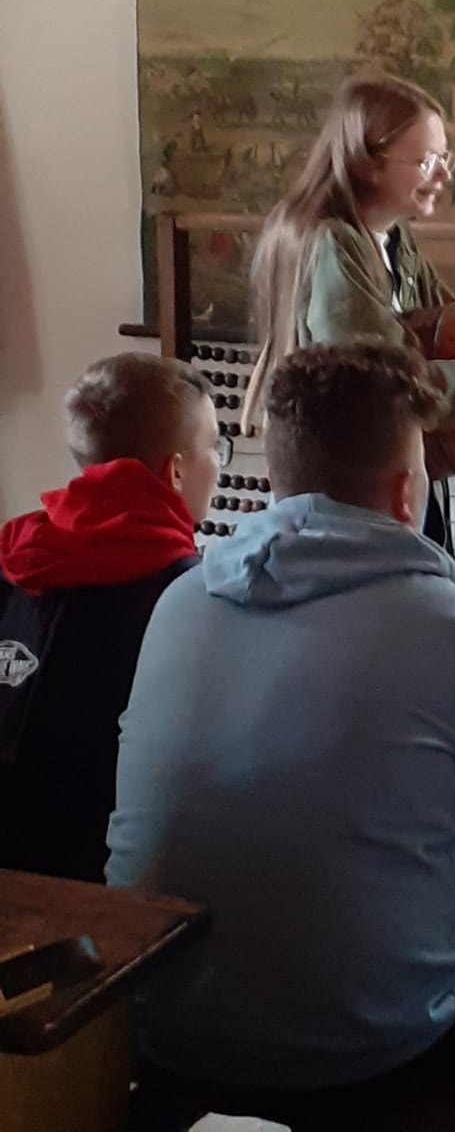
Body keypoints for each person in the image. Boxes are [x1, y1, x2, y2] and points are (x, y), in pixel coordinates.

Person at [108, 339, 455, 1122]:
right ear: (406, 493)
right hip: (367, 1048)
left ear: (278, 477)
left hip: (161, 1023)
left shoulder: (182, 602)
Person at [245, 75, 455, 548]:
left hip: (387, 485)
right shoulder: (332, 243)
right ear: (367, 161)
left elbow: (450, 334)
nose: (444, 175)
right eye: (427, 161)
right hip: (348, 501)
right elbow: (380, 387)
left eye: (445, 158)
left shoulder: (393, 236)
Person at [0, 354, 218, 882]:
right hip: (103, 880)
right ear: (176, 471)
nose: (218, 463)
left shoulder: (13, 558)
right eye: (215, 445)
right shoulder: (188, 596)